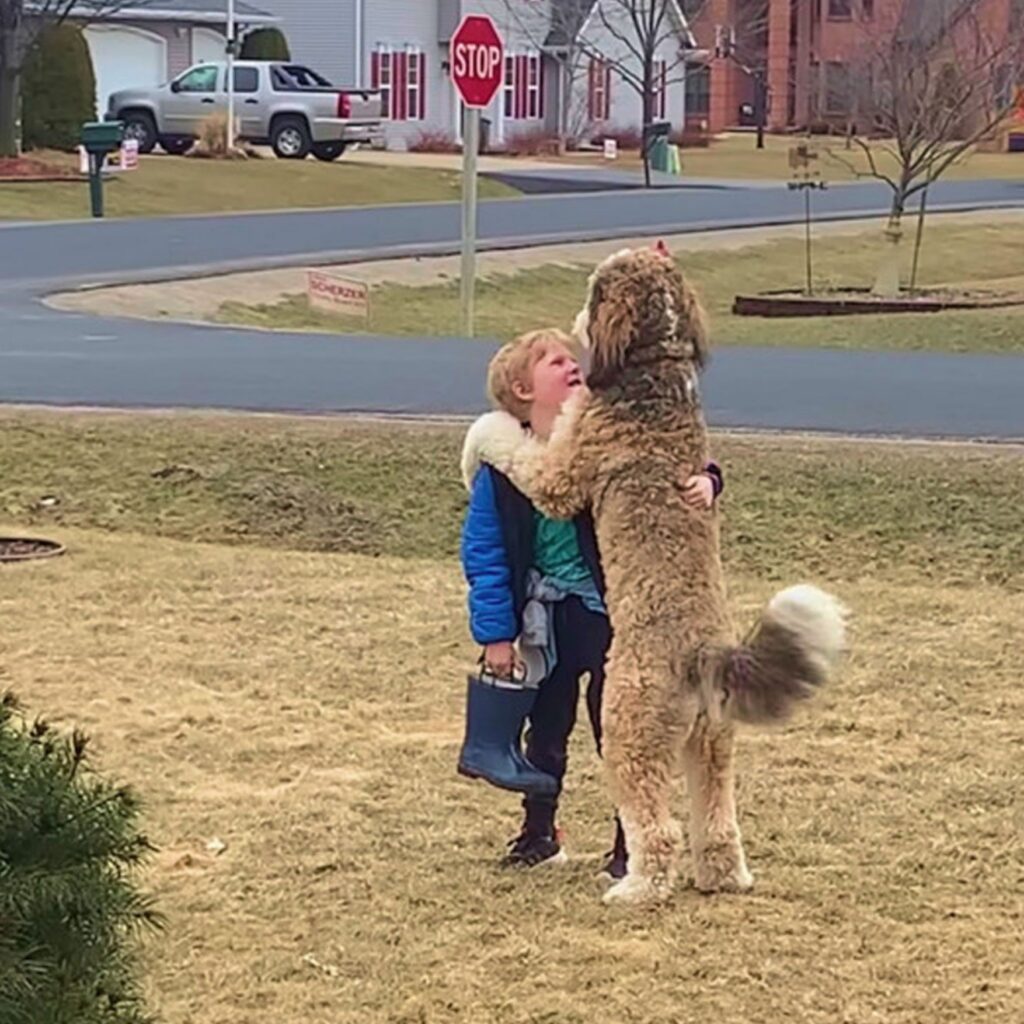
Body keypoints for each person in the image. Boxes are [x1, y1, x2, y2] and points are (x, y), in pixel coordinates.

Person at [458, 329, 723, 873]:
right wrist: (496, 634)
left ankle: (631, 845)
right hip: (544, 617)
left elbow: (664, 458)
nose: (572, 365)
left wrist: (709, 479)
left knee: (620, 731)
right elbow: (484, 553)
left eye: (571, 358)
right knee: (545, 729)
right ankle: (538, 831)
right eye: (555, 361)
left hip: (609, 613)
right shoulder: (503, 468)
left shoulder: (603, 441)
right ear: (521, 389)